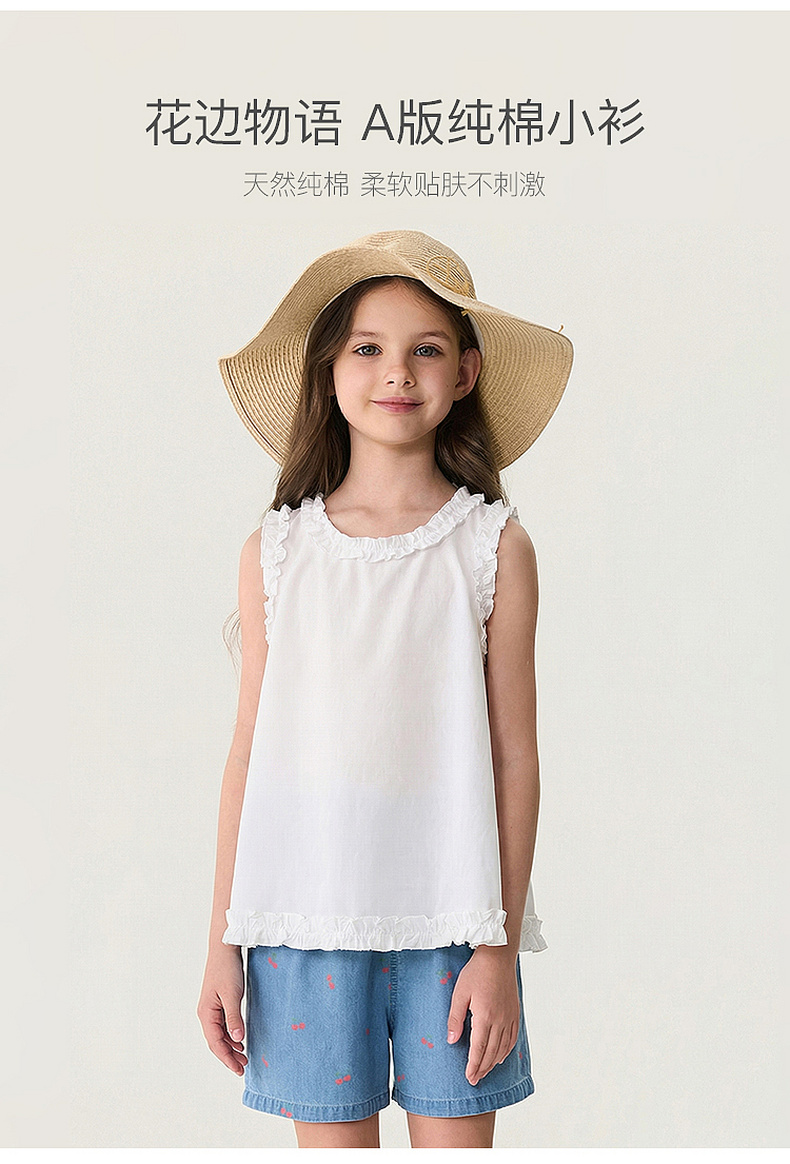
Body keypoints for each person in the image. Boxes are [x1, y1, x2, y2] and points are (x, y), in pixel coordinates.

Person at [197, 230, 573, 1149]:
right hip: (302, 918)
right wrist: (221, 942)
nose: (396, 372)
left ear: (467, 372)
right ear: (329, 372)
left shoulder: (492, 546)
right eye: (367, 347)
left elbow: (514, 756)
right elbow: (248, 753)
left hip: (455, 922)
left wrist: (496, 948)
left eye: (426, 349)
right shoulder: (278, 550)